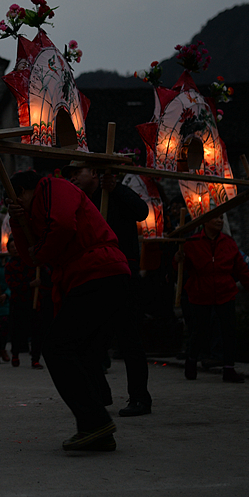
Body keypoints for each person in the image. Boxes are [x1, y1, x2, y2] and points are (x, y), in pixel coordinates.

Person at [9, 170, 131, 452]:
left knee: (57, 348)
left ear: (24, 190)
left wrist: (42, 252)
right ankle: (98, 427)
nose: (15, 204)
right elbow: (30, 256)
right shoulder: (34, 212)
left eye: (14, 198)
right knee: (81, 351)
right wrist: (17, 221)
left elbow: (62, 226)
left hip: (98, 272)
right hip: (83, 278)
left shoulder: (53, 187)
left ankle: (95, 422)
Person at [67, 162, 153, 417]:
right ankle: (100, 394)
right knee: (90, 339)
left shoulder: (116, 193)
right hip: (95, 275)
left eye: (77, 173)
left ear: (94, 172)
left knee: (129, 339)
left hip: (123, 272)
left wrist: (116, 189)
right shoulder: (80, 202)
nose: (73, 178)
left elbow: (142, 211)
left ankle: (140, 397)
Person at [175, 216, 249, 383]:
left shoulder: (229, 242)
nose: (219, 221)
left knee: (228, 331)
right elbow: (181, 268)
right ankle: (191, 360)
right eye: (215, 218)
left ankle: (229, 368)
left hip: (225, 291)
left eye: (221, 218)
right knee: (200, 330)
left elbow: (241, 269)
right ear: (204, 221)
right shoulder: (192, 243)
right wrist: (177, 259)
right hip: (201, 292)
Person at [4, 239, 47, 369]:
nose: (15, 249)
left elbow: (44, 275)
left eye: (16, 246)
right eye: (12, 247)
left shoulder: (31, 262)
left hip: (34, 300)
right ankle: (15, 354)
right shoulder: (9, 266)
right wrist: (29, 285)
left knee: (37, 330)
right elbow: (12, 285)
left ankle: (35, 359)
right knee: (17, 330)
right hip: (18, 301)